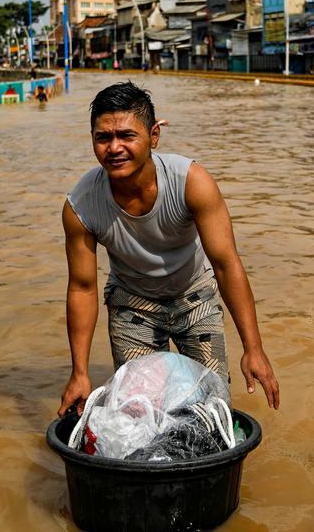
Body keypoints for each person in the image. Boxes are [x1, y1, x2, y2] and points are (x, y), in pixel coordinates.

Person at [57, 82, 280, 417]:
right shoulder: (82, 205)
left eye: (126, 135)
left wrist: (253, 348)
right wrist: (80, 372)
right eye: (103, 138)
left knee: (210, 408)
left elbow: (225, 263)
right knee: (140, 415)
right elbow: (82, 287)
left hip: (195, 298)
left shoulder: (191, 182)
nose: (114, 148)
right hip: (132, 306)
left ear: (154, 135)